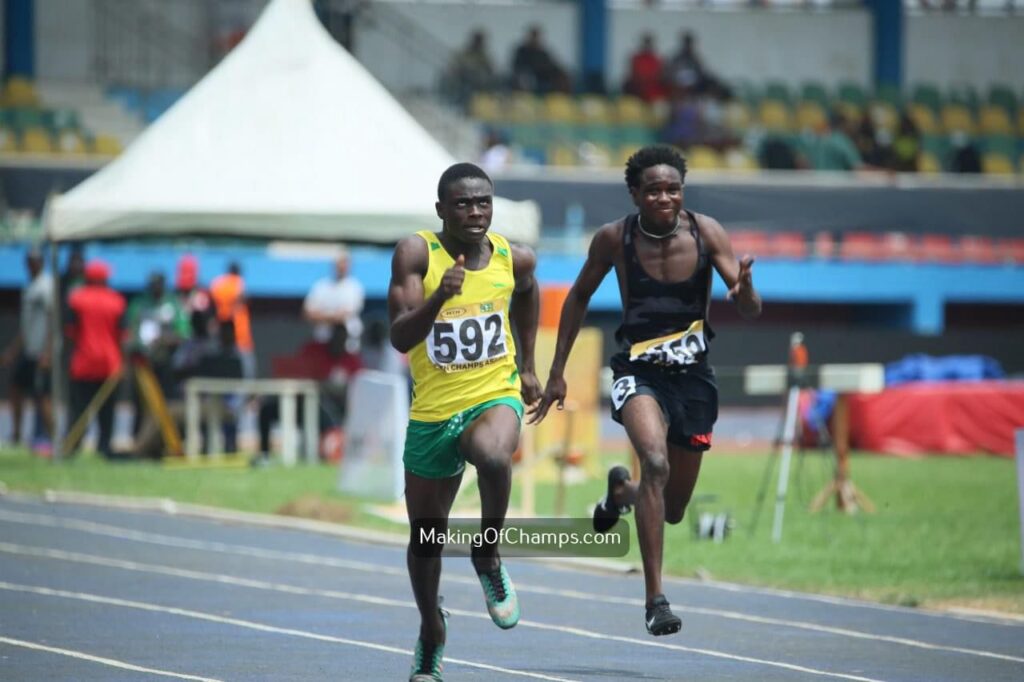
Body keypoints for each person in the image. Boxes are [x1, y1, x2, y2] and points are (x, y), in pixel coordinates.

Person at [528, 145, 761, 637]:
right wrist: (557, 372)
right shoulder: (614, 239)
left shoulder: (706, 232)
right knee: (655, 461)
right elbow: (577, 297)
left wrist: (744, 292)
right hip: (638, 372)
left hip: (693, 379)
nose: (664, 197)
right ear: (635, 193)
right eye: (653, 189)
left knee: (672, 508)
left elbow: (748, 307)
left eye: (673, 189)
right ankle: (656, 599)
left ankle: (621, 493)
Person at [388, 162, 540, 681]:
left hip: (492, 392)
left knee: (495, 455)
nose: (474, 212)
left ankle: (488, 554)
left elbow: (528, 291)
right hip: (433, 412)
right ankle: (432, 629)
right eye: (462, 204)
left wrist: (530, 366)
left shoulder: (510, 256)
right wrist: (439, 297)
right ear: (441, 210)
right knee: (425, 539)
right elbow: (400, 337)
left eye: (483, 202)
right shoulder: (416, 253)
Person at [65, 260, 127, 459]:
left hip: (83, 363)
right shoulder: (116, 301)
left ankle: (73, 446)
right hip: (110, 364)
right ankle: (104, 448)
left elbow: (70, 331)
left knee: (79, 410)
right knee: (107, 413)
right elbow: (122, 334)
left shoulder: (77, 299)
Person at [2, 247, 55, 450]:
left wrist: (48, 352)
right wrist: (13, 351)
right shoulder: (30, 287)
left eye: (35, 260)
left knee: (43, 397)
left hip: (41, 352)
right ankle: (16, 434)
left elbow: (53, 321)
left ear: (41, 262)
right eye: (28, 261)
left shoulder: (46, 286)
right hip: (28, 350)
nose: (31, 264)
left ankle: (54, 439)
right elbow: (27, 326)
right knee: (15, 388)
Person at [303, 248, 365, 354]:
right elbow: (308, 313)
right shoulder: (321, 286)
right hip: (322, 344)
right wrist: (332, 317)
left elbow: (342, 316)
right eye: (340, 263)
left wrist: (322, 316)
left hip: (347, 347)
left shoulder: (354, 287)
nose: (342, 266)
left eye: (345, 263)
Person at [210, 261, 255, 378]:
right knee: (245, 369)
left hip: (222, 332)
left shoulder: (217, 283)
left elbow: (212, 304)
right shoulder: (237, 282)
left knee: (222, 367)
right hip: (239, 331)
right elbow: (242, 299)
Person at [510, 25, 570, 94]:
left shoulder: (542, 52)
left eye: (537, 37)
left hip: (543, 75)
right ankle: (526, 98)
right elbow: (517, 65)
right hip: (528, 75)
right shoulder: (522, 51)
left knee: (562, 75)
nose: (535, 39)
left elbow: (550, 64)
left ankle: (562, 98)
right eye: (533, 36)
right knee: (525, 78)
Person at [623, 33, 667, 103]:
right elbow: (633, 73)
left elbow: (658, 75)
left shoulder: (656, 60)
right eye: (646, 43)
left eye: (649, 43)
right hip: (637, 88)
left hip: (652, 89)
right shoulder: (636, 58)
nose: (647, 46)